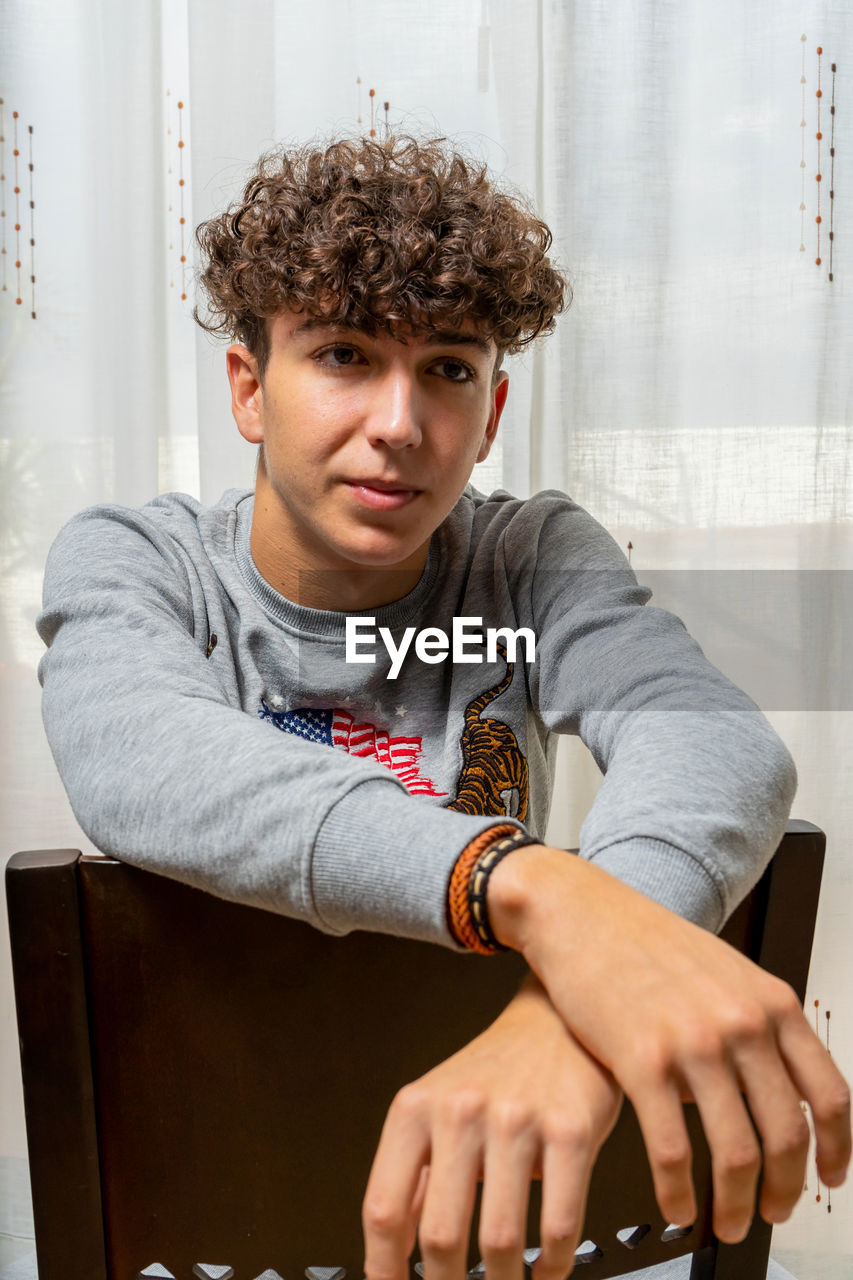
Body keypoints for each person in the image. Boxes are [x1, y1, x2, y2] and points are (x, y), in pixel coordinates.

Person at [37, 135, 850, 1280]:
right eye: (343, 354)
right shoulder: (142, 562)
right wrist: (537, 888)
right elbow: (134, 756)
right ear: (249, 389)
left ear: (493, 405)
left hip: (507, 1203)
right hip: (228, 1202)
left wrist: (566, 1017)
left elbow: (710, 737)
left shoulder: (528, 558)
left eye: (449, 370)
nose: (400, 422)